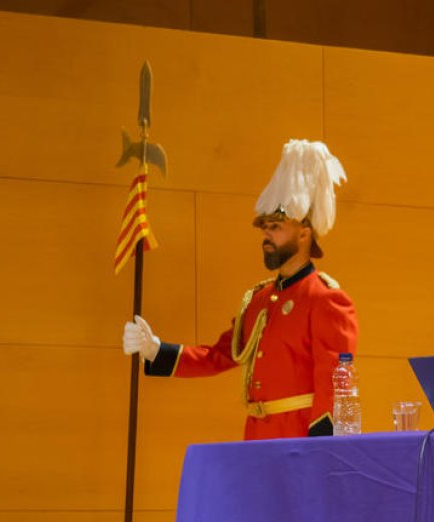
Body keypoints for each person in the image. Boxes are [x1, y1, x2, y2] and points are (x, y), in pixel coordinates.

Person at [122, 140, 359, 439]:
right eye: (265, 227)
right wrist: (155, 349)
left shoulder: (326, 299)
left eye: (276, 227)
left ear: (304, 233)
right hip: (256, 437)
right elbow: (220, 356)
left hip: (300, 439)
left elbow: (336, 383)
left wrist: (321, 448)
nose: (266, 235)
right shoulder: (258, 301)